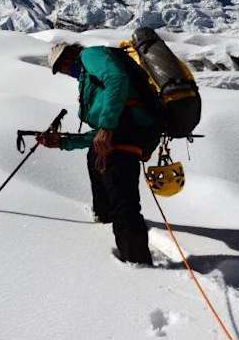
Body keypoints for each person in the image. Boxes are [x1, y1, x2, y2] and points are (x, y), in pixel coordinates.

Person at [38, 42, 161, 266]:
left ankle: (139, 266)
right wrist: (64, 142)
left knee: (124, 202)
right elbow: (98, 137)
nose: (65, 71)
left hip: (127, 134)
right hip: (124, 133)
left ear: (69, 56)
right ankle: (105, 223)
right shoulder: (88, 77)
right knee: (98, 163)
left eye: (62, 66)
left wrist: (106, 126)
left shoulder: (90, 55)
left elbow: (117, 79)